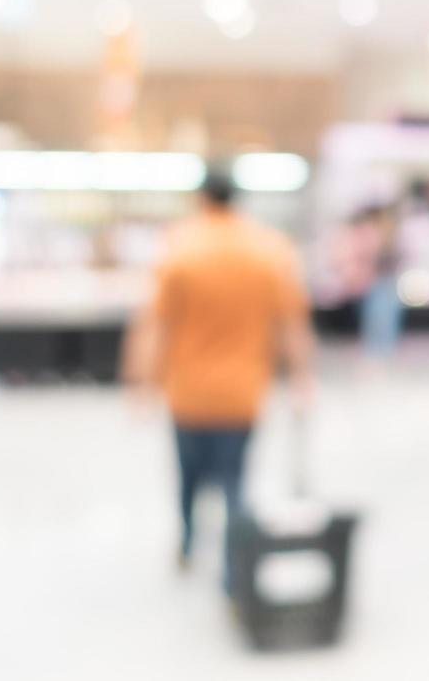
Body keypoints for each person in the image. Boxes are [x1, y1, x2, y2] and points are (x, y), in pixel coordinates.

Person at [125, 168, 315, 580]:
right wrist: (302, 382)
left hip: (187, 393)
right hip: (242, 392)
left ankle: (190, 543)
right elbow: (291, 325)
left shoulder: (178, 249)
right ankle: (233, 569)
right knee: (235, 482)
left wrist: (142, 386)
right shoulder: (268, 250)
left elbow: (156, 324)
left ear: (201, 199)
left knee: (188, 477)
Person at [335, 204, 404, 360]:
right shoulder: (369, 233)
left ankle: (381, 352)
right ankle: (376, 353)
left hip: (381, 279)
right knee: (377, 317)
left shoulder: (382, 233)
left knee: (381, 316)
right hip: (375, 279)